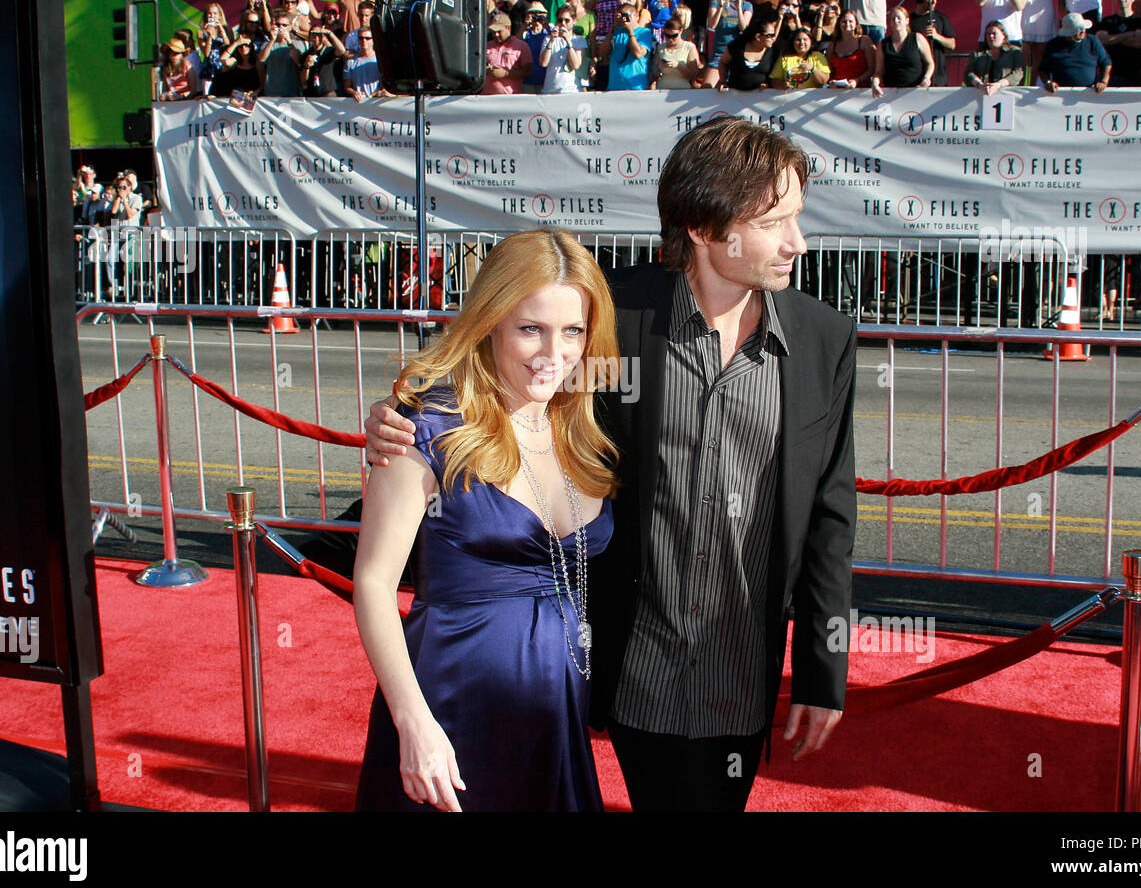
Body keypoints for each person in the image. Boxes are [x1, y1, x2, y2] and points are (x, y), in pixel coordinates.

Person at [366, 117, 857, 812]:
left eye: (795, 219)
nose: (795, 243)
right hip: (629, 665)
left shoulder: (820, 339)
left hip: (741, 666)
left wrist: (821, 669)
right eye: (773, 221)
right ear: (704, 225)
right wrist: (402, 414)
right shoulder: (614, 318)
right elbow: (507, 369)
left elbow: (831, 515)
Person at [353, 229, 620, 813]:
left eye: (573, 331)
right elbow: (373, 585)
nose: (554, 353)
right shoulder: (426, 427)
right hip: (448, 705)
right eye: (531, 329)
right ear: (491, 320)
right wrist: (413, 724)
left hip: (554, 710)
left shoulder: (582, 432)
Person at [1094, 0, 1141, 86]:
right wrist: (1129, 34)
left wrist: (1113, 39)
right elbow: (1102, 41)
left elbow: (1138, 42)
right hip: (1111, 73)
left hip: (1134, 72)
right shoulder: (1107, 21)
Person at [703, 0, 753, 86]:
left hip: (737, 53)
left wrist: (739, 7)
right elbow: (712, 25)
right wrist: (721, 5)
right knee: (707, 87)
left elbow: (743, 28)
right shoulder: (715, 3)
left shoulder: (746, 5)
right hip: (719, 53)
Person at [1039, 12, 1111, 91]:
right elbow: (1043, 69)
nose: (1083, 31)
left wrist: (1103, 82)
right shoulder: (1053, 45)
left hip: (1090, 94)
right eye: (1079, 29)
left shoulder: (1092, 41)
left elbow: (1106, 63)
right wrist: (1048, 82)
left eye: (1083, 28)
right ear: (1069, 33)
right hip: (1060, 95)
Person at [872, 5, 934, 96]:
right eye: (893, 19)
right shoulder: (883, 44)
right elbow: (878, 72)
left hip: (916, 92)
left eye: (899, 18)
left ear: (907, 21)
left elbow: (930, 63)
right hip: (891, 94)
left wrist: (927, 78)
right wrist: (875, 83)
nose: (896, 21)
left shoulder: (918, 38)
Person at [910, 0, 957, 87]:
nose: (934, 1)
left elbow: (952, 44)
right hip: (917, 77)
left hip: (938, 77)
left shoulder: (941, 18)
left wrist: (937, 37)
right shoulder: (910, 20)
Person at [717, 13, 779, 89]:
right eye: (770, 35)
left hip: (761, 98)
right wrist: (723, 80)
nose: (773, 38)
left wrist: (769, 84)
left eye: (774, 35)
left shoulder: (774, 52)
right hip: (734, 96)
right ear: (758, 36)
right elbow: (723, 62)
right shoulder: (736, 47)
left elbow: (776, 76)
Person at [966, 18, 1025, 93]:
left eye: (994, 33)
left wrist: (999, 85)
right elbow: (969, 73)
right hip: (981, 93)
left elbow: (1018, 73)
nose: (991, 36)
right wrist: (980, 85)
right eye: (988, 34)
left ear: (1003, 35)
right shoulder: (977, 54)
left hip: (1008, 95)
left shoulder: (1015, 52)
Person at [542, 8, 591, 92]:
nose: (563, 23)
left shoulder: (579, 40)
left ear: (574, 21)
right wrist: (551, 41)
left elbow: (575, 65)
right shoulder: (548, 39)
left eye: (567, 20)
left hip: (571, 89)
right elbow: (543, 63)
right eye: (560, 20)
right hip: (550, 89)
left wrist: (569, 42)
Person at [484, 13, 533, 94]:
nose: (496, 34)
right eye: (493, 32)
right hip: (487, 97)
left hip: (510, 98)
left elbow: (527, 72)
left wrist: (506, 74)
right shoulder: (486, 46)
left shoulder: (521, 46)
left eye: (499, 31)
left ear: (508, 29)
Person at [826, 9, 876, 87]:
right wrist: (831, 82)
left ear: (856, 24)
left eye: (850, 21)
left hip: (860, 91)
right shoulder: (832, 46)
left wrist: (857, 80)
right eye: (844, 21)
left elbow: (872, 68)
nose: (847, 24)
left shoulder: (864, 41)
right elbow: (829, 71)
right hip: (837, 91)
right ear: (839, 24)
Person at [608, 4, 653, 89]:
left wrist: (630, 32)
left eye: (626, 15)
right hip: (615, 87)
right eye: (621, 16)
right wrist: (613, 27)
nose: (624, 19)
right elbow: (603, 53)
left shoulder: (644, 32)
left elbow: (638, 54)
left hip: (635, 87)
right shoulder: (617, 31)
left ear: (636, 16)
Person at [650, 18, 701, 87]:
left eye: (674, 36)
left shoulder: (689, 47)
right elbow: (653, 75)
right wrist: (660, 68)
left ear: (681, 31)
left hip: (683, 91)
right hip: (662, 89)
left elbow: (694, 75)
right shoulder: (660, 48)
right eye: (667, 36)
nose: (670, 39)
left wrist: (678, 66)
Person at [343, 29, 382, 100]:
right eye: (361, 38)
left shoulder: (380, 60)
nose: (364, 41)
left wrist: (373, 95)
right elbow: (347, 87)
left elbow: (385, 85)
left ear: (373, 40)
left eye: (367, 38)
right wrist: (355, 93)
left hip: (377, 102)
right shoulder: (350, 62)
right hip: (358, 104)